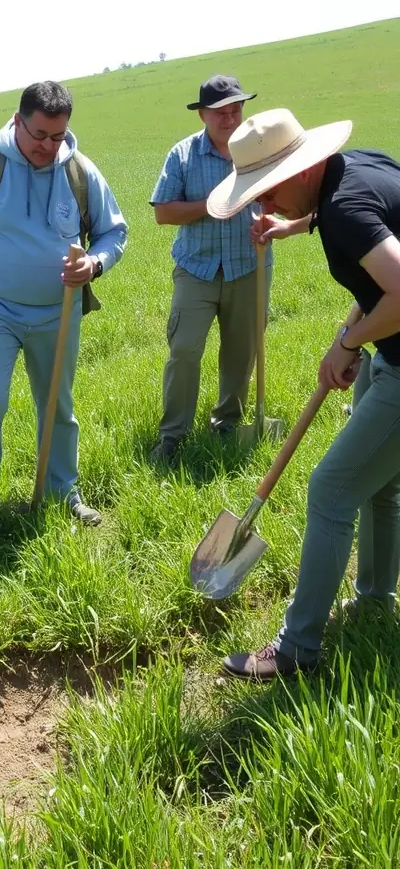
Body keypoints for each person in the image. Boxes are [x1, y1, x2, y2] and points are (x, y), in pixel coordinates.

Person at [204, 106, 400, 680]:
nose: (264, 207)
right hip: (389, 352)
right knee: (380, 486)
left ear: (296, 171)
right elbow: (376, 257)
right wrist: (352, 336)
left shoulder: (343, 209)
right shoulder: (354, 170)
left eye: (264, 194)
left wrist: (349, 342)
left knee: (331, 488)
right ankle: (373, 602)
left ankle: (296, 650)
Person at [0, 81, 128, 523]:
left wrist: (94, 265)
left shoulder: (79, 171)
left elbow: (114, 231)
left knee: (57, 403)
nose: (47, 146)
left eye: (57, 137)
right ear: (18, 121)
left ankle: (64, 493)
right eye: (39, 135)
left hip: (57, 312)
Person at [149, 75, 269, 464]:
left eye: (236, 109)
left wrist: (272, 218)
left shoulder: (259, 150)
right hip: (197, 268)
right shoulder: (182, 155)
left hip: (249, 266)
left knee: (242, 350)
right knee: (184, 350)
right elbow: (163, 212)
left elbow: (286, 197)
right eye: (220, 112)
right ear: (202, 114)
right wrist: (215, 203)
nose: (230, 118)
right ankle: (172, 436)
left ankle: (227, 424)